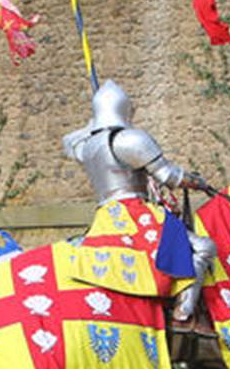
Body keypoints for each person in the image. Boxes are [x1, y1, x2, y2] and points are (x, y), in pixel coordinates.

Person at [62, 79, 215, 319]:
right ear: (125, 108)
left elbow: (70, 142)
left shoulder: (86, 147)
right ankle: (183, 310)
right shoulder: (128, 139)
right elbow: (168, 176)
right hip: (134, 212)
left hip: (104, 215)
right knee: (204, 246)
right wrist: (199, 182)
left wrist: (92, 125)